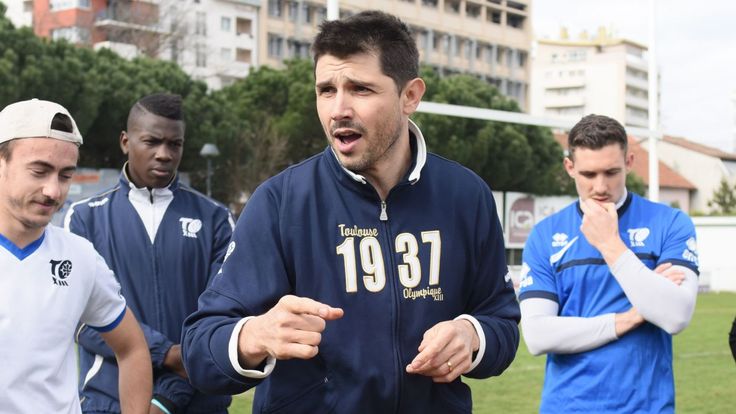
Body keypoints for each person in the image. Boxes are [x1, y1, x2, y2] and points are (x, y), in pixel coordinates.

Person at [181, 10, 520, 413]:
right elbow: (201, 347)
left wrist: (473, 335)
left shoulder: (467, 196)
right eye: (326, 90)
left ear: (410, 95)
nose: (338, 109)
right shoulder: (281, 201)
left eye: (360, 89)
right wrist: (254, 335)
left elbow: (500, 321)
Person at [64, 94, 234, 414]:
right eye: (152, 142)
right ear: (126, 142)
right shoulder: (85, 217)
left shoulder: (215, 219)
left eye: (175, 144)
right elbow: (80, 319)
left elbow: (224, 317)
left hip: (197, 403)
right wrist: (165, 352)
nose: (164, 154)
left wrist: (169, 397)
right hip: (108, 402)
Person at [519, 114, 699, 413]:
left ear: (629, 162)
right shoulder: (545, 235)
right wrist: (627, 319)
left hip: (647, 407)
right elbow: (538, 336)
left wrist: (610, 245)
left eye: (611, 172)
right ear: (570, 168)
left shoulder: (670, 223)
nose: (600, 186)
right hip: (567, 406)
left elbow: (676, 315)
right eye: (589, 174)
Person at [0, 99, 152, 413]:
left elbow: (133, 348)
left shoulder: (80, 257)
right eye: (39, 171)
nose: (53, 191)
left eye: (65, 175)